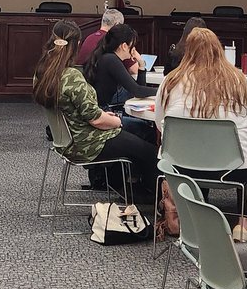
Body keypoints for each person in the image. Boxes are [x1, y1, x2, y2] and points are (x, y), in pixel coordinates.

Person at [154, 27, 247, 241]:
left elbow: (161, 124)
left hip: (181, 167)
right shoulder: (240, 80)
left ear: (188, 52)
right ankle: (243, 224)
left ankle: (189, 218)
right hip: (235, 169)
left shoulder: (170, 81)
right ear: (219, 50)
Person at [32, 20, 158, 208]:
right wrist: (116, 121)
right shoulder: (71, 76)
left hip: (69, 140)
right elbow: (97, 119)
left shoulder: (42, 74)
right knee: (151, 152)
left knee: (136, 140)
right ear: (76, 46)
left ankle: (128, 188)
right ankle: (152, 197)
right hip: (89, 142)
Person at [83, 23, 155, 110]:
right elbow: (137, 91)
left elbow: (138, 87)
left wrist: (141, 64)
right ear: (124, 46)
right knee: (143, 124)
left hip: (102, 110)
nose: (134, 49)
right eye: (133, 45)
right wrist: (163, 91)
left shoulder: (107, 57)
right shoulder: (111, 60)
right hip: (103, 112)